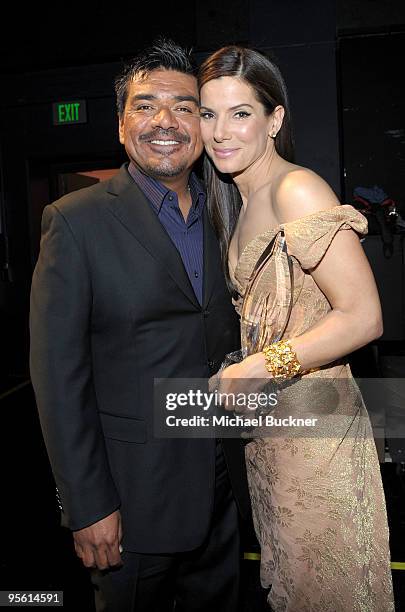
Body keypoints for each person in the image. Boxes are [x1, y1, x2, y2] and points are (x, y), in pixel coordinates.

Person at [29, 38, 250, 612]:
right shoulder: (75, 222)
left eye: (184, 107)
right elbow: (58, 377)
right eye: (145, 105)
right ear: (121, 125)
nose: (166, 122)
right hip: (132, 503)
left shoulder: (230, 211)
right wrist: (87, 505)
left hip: (226, 491)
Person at [198, 45, 395, 611]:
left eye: (240, 113)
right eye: (209, 114)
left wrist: (258, 366)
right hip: (275, 437)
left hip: (319, 439)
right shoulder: (241, 199)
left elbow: (364, 316)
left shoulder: (296, 189)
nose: (220, 131)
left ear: (274, 119)